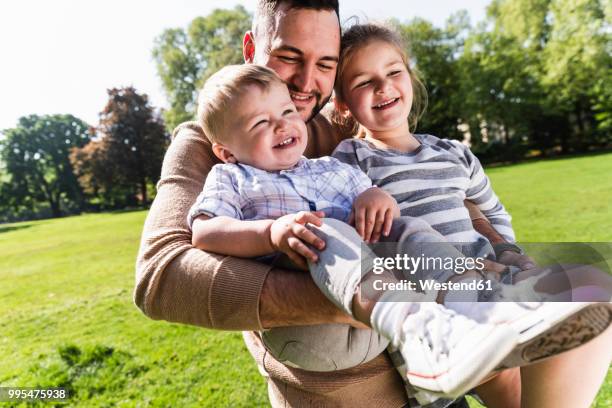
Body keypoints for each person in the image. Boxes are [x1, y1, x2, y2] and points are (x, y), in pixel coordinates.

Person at [134, 1, 612, 406]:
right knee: (337, 235)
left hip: (448, 313)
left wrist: (499, 262)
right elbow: (161, 276)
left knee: (593, 286)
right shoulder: (213, 141)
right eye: (288, 56)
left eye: (325, 64)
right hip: (345, 373)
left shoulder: (348, 134)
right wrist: (365, 298)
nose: (305, 83)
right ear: (252, 48)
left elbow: (443, 192)